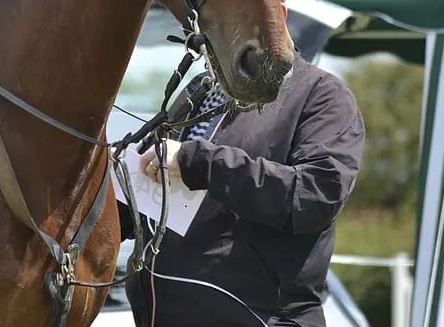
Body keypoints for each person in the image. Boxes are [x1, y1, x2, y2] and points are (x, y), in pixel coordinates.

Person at [123, 49, 365, 326]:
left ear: (279, 13)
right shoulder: (202, 88)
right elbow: (144, 191)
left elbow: (313, 196)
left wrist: (201, 163)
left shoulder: (321, 94)